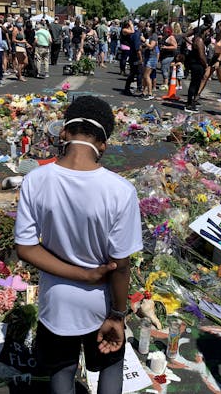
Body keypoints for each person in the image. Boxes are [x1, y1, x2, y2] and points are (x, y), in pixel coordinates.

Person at [15, 95, 143, 394]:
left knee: (62, 370)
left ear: (63, 132)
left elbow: (26, 247)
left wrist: (78, 274)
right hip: (101, 302)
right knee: (110, 363)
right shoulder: (120, 191)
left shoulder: (36, 180)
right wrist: (118, 315)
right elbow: (120, 265)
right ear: (103, 145)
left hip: (57, 300)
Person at [198, 20, 221, 101]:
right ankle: (198, 92)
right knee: (205, 75)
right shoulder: (218, 35)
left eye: (218, 26)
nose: (217, 28)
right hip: (214, 56)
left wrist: (218, 61)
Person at [185, 25, 210, 113]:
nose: (208, 33)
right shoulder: (199, 40)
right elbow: (201, 55)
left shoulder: (199, 40)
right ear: (203, 31)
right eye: (207, 31)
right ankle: (189, 103)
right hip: (197, 64)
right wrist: (206, 65)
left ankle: (192, 102)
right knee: (194, 84)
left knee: (197, 83)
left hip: (197, 64)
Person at [123, 19, 142, 96]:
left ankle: (128, 87)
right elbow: (133, 32)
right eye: (130, 24)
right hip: (134, 55)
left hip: (132, 54)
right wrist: (140, 58)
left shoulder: (135, 33)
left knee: (134, 72)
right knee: (138, 72)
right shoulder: (126, 30)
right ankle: (138, 88)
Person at [141, 23, 158, 101]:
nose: (147, 28)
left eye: (149, 27)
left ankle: (150, 93)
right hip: (147, 56)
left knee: (147, 75)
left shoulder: (154, 35)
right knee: (144, 76)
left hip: (152, 57)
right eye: (146, 26)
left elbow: (151, 46)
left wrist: (144, 41)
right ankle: (144, 91)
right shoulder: (149, 35)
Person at [12, 17, 29, 81]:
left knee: (26, 62)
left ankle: (18, 72)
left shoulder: (21, 29)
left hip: (23, 46)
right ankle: (20, 76)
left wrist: (26, 43)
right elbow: (13, 40)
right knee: (20, 62)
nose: (20, 23)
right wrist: (21, 42)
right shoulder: (15, 29)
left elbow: (23, 38)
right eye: (19, 22)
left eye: (21, 22)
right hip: (18, 46)